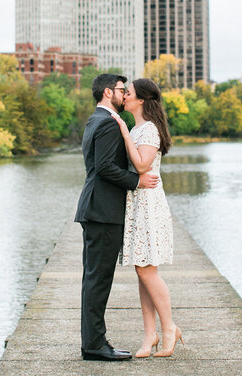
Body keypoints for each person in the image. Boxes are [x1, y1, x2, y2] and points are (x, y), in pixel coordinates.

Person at [74, 73, 159, 362]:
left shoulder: (95, 119)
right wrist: (137, 182)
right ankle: (95, 345)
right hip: (103, 211)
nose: (125, 95)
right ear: (109, 92)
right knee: (98, 280)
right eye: (122, 91)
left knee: (93, 279)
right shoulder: (109, 123)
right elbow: (105, 167)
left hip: (96, 209)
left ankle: (92, 343)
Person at [112, 78, 184, 358]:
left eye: (127, 93)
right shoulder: (138, 127)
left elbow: (142, 165)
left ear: (141, 99)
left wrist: (123, 132)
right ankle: (149, 334)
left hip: (149, 206)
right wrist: (127, 131)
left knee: (146, 270)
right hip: (137, 204)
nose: (124, 97)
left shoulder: (149, 130)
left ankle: (169, 329)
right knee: (142, 272)